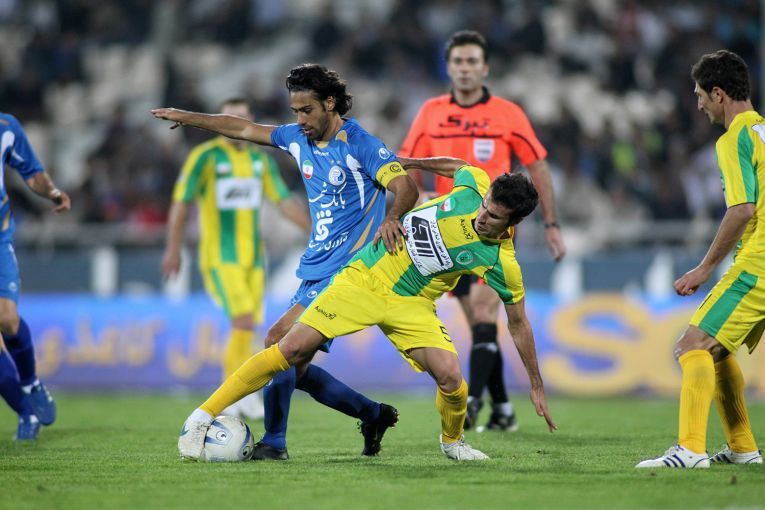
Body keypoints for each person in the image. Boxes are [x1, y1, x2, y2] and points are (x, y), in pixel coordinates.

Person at [176, 157, 556, 462]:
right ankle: (200, 418)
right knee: (289, 348)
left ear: (514, 223)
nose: (482, 217)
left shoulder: (502, 262)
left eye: (493, 217)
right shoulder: (473, 186)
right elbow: (458, 166)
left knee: (452, 379)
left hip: (412, 303)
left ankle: (453, 443)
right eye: (485, 206)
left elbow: (518, 324)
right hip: (366, 277)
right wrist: (412, 162)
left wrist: (537, 385)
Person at [153, 63, 418, 459]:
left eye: (307, 110)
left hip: (349, 272)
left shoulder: (360, 143)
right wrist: (189, 118)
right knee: (296, 364)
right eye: (295, 111)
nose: (300, 119)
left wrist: (393, 217)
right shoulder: (297, 138)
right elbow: (243, 128)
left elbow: (405, 186)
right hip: (316, 269)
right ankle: (372, 413)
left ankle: (274, 442)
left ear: (330, 103)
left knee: (278, 343)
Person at [399, 30, 566, 431]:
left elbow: (538, 166)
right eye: (458, 61)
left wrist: (551, 223)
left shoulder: (508, 114)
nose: (465, 68)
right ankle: (503, 408)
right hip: (447, 235)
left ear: (485, 67)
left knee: (483, 309)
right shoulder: (431, 112)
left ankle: (471, 403)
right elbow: (409, 162)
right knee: (480, 327)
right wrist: (415, 200)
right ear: (448, 67)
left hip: (492, 230)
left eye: (472, 61)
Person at [637, 50, 763, 469]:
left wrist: (704, 267)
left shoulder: (735, 138)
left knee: (691, 345)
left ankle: (690, 449)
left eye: (700, 95)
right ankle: (743, 447)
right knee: (718, 350)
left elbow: (742, 209)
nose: (698, 105)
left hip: (758, 265)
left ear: (719, 94)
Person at [162, 97, 312, 421]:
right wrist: (173, 248)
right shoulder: (205, 157)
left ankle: (242, 394)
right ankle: (233, 396)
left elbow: (283, 201)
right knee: (243, 321)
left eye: (241, 117)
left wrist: (316, 233)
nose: (235, 123)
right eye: (229, 117)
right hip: (220, 257)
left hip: (254, 259)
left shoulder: (260, 161)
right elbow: (181, 201)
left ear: (250, 119)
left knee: (249, 326)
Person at [0, 112, 70, 440]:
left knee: (7, 319)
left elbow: (31, 172)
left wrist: (52, 192)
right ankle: (26, 413)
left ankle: (30, 382)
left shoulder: (6, 127)